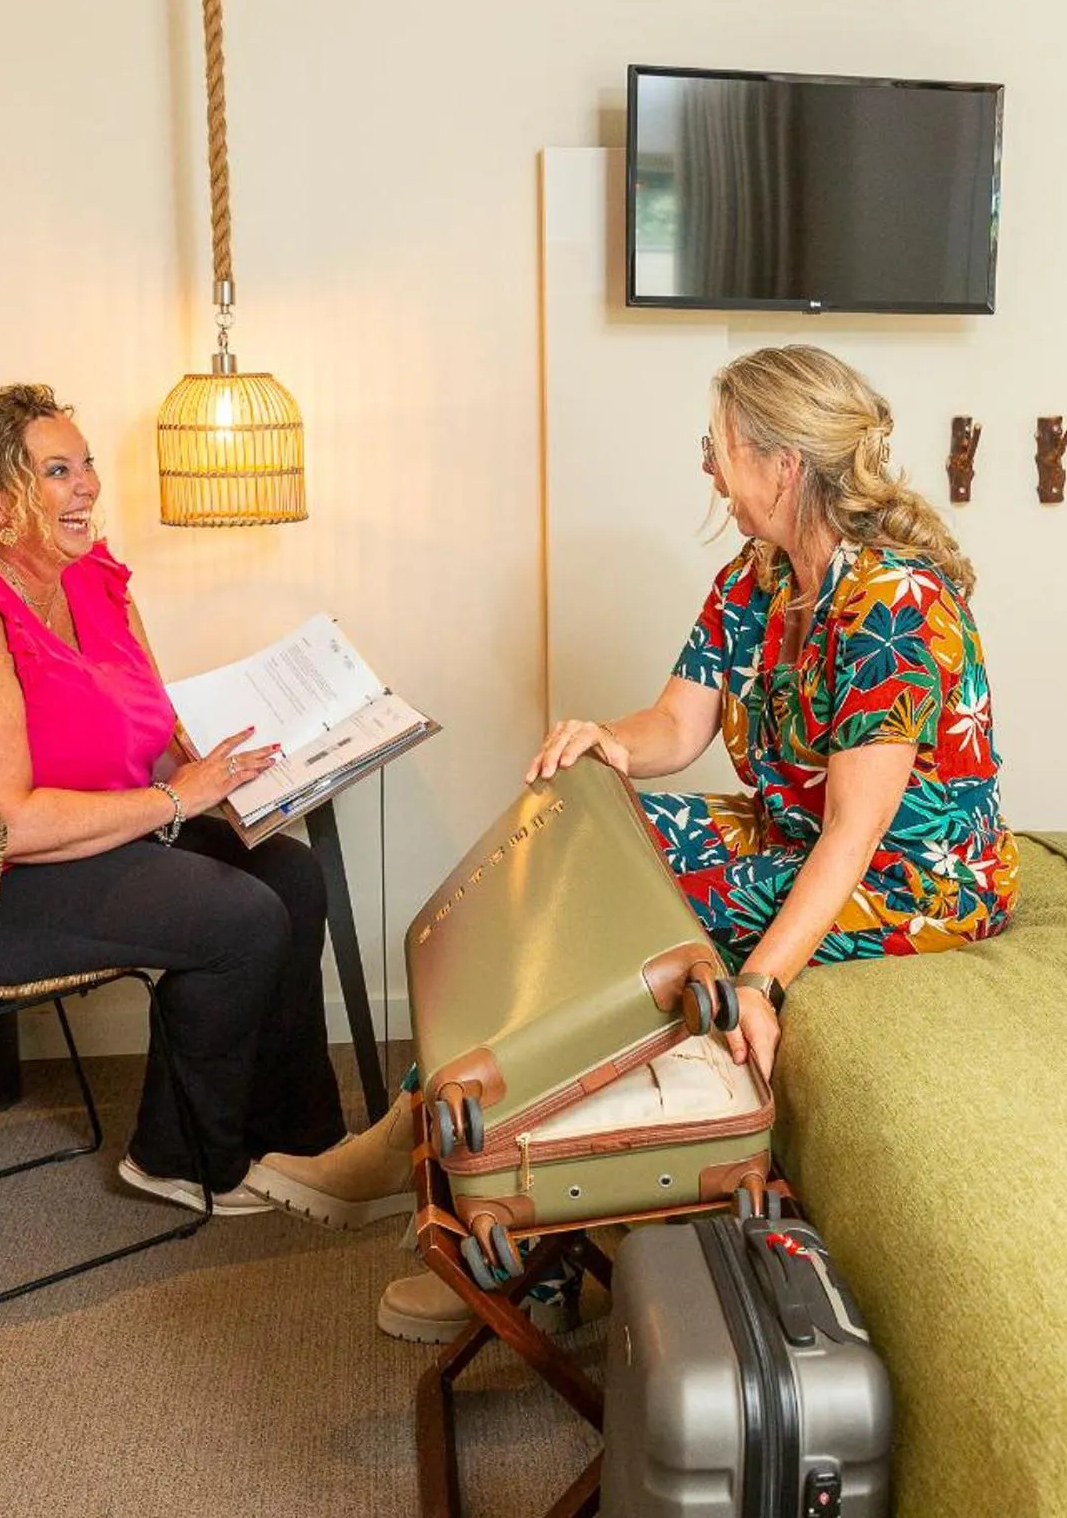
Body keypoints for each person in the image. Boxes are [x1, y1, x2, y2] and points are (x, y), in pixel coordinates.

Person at [250, 343, 1018, 1341]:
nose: (708, 467)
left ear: (783, 464)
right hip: (795, 831)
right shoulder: (757, 577)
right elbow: (676, 725)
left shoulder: (893, 607)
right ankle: (440, 1133)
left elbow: (853, 830)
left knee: (627, 927)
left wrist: (760, 983)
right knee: (579, 834)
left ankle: (515, 1235)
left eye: (719, 447)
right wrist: (607, 742)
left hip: (915, 877)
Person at [0, 382, 366, 1217]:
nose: (88, 484)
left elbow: (150, 731)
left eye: (85, 462)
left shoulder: (95, 578)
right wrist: (175, 798)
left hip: (92, 838)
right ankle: (178, 1156)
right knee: (238, 917)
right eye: (57, 470)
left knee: (291, 876)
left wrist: (232, 777)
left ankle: (297, 1139)